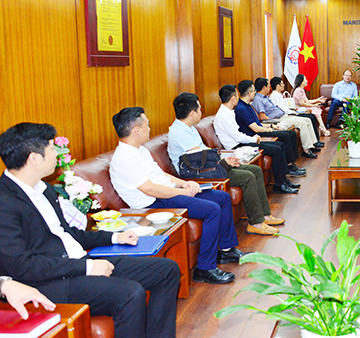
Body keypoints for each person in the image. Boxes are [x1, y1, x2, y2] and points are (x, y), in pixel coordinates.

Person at [0, 123, 180, 338]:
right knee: (130, 294)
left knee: (166, 270)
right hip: (50, 282)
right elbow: (23, 266)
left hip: (77, 263)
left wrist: (115, 237)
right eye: (51, 148)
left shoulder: (44, 189)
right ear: (34, 158)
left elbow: (68, 234)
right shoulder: (5, 202)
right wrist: (87, 267)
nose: (57, 154)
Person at [110, 106, 244, 284]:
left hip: (167, 193)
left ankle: (226, 250)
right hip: (154, 203)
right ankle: (205, 268)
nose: (149, 128)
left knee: (222, 197)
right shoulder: (124, 159)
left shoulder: (140, 150)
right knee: (212, 210)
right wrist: (182, 192)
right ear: (137, 130)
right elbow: (150, 189)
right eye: (147, 125)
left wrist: (184, 183)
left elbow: (160, 175)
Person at [166, 93, 285, 236]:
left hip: (208, 166)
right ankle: (256, 223)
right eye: (199, 109)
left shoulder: (189, 127)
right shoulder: (179, 132)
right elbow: (199, 156)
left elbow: (205, 152)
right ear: (192, 113)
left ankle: (264, 215)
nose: (201, 112)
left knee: (255, 170)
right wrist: (223, 161)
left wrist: (226, 158)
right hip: (197, 173)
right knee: (247, 177)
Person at [215, 84, 300, 194]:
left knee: (279, 145)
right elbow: (237, 137)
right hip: (237, 147)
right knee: (276, 149)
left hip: (242, 142)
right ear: (232, 98)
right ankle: (280, 184)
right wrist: (254, 139)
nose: (238, 98)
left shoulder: (229, 112)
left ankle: (283, 180)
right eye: (237, 96)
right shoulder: (223, 116)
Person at [236, 80, 307, 178]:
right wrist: (269, 130)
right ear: (249, 93)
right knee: (285, 137)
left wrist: (271, 126)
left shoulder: (247, 105)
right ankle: (289, 168)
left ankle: (290, 165)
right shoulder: (241, 108)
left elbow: (257, 123)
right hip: (255, 135)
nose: (255, 93)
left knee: (290, 134)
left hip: (260, 130)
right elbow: (256, 128)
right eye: (253, 91)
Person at [252, 77, 321, 159]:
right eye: (268, 86)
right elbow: (262, 116)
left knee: (308, 120)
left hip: (283, 116)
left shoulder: (265, 97)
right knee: (303, 123)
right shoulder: (258, 99)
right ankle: (306, 150)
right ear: (264, 88)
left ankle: (312, 145)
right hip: (278, 120)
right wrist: (273, 124)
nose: (269, 88)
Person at [269, 76, 322, 141]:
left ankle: (314, 142)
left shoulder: (278, 95)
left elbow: (284, 108)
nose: (284, 85)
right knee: (308, 119)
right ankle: (311, 144)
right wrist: (293, 112)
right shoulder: (275, 96)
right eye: (282, 83)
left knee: (310, 118)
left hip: (287, 114)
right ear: (278, 86)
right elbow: (282, 110)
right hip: (284, 117)